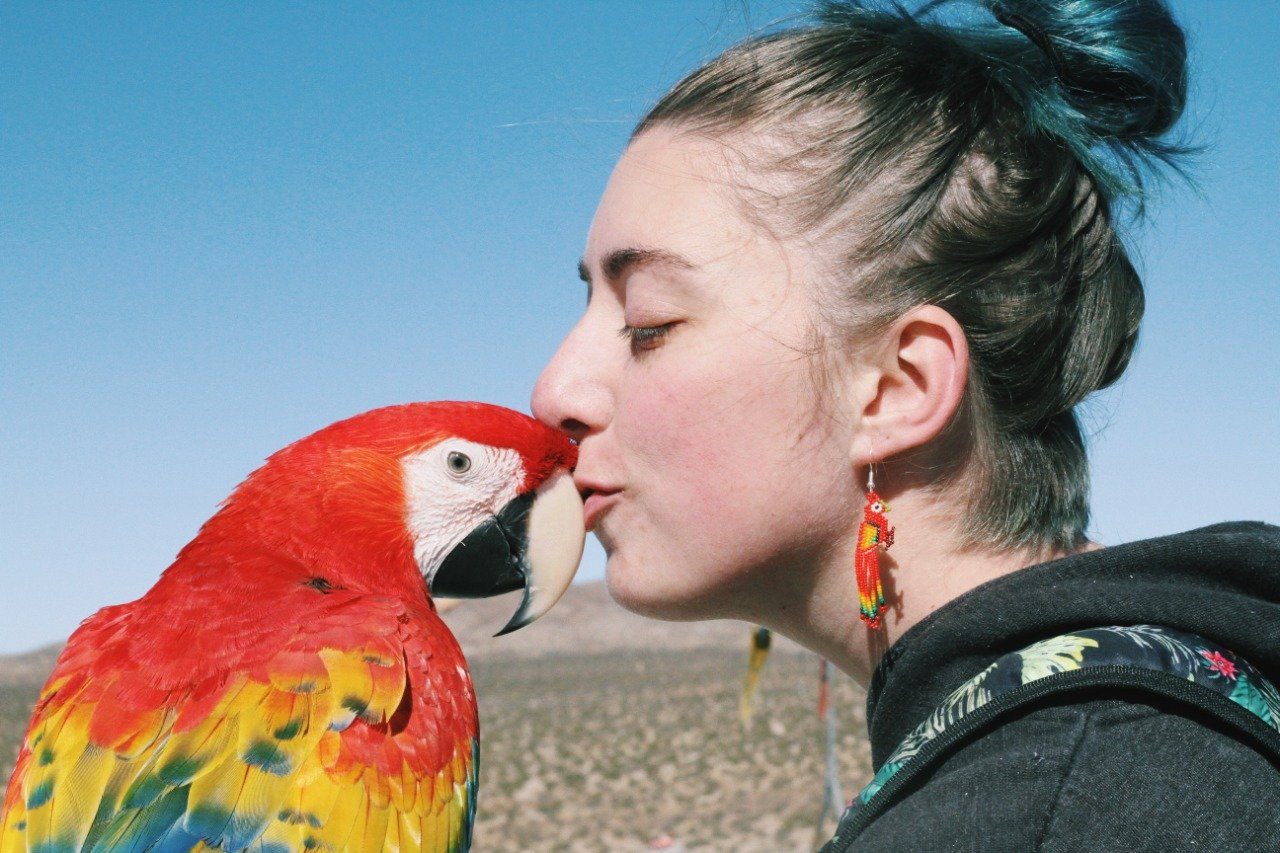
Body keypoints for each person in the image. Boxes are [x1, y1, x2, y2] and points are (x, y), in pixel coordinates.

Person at [532, 0, 1280, 849]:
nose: (553, 389)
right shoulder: (1149, 734)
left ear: (899, 386)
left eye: (647, 324)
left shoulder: (1044, 814)